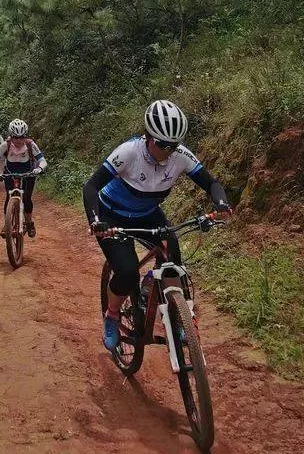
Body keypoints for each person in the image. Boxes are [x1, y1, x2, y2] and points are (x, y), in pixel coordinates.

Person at [83, 100, 232, 352]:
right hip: (112, 216)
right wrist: (96, 221)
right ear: (148, 136)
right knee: (127, 272)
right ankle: (112, 315)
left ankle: (177, 314)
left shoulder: (181, 156)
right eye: (163, 144)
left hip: (148, 214)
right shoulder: (129, 153)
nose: (168, 151)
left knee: (173, 261)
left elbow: (211, 183)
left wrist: (221, 204)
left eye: (174, 145)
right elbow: (91, 186)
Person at [0, 119, 47, 238]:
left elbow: (42, 160)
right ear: (11, 136)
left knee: (27, 198)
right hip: (10, 173)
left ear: (25, 136)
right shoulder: (6, 145)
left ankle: (29, 222)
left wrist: (40, 168)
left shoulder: (30, 145)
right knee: (8, 197)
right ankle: (7, 224)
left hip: (28, 174)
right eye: (15, 137)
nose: (18, 140)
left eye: (21, 137)